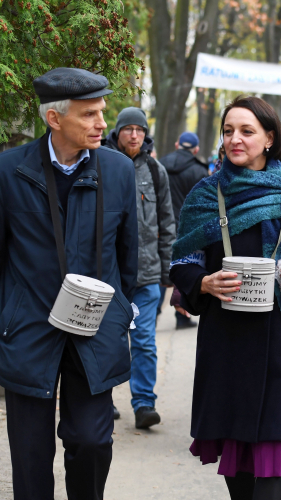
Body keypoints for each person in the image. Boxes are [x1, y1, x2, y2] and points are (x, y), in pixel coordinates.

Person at [0, 68, 138, 500]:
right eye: (89, 114)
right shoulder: (6, 171)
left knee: (92, 442)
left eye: (102, 112)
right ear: (54, 119)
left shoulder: (118, 170)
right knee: (30, 454)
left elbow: (127, 258)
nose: (102, 123)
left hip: (93, 331)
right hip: (27, 331)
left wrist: (115, 317)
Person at [169, 96, 281, 500]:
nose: (235, 139)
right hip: (227, 340)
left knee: (271, 463)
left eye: (247, 131)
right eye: (228, 130)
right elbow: (181, 261)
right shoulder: (205, 194)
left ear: (270, 138)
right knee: (237, 458)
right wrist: (203, 283)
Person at [104, 107, 176, 428]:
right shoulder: (99, 163)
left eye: (139, 129)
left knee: (144, 339)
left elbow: (167, 223)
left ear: (146, 134)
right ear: (117, 132)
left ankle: (144, 404)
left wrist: (167, 270)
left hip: (147, 275)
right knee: (105, 339)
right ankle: (101, 398)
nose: (134, 135)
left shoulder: (156, 171)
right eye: (128, 128)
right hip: (108, 275)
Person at [159, 131, 209, 329]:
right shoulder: (199, 170)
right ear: (195, 149)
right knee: (185, 267)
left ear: (177, 144)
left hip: (161, 225)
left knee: (162, 267)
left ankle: (153, 312)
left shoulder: (160, 164)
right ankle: (182, 314)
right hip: (186, 227)